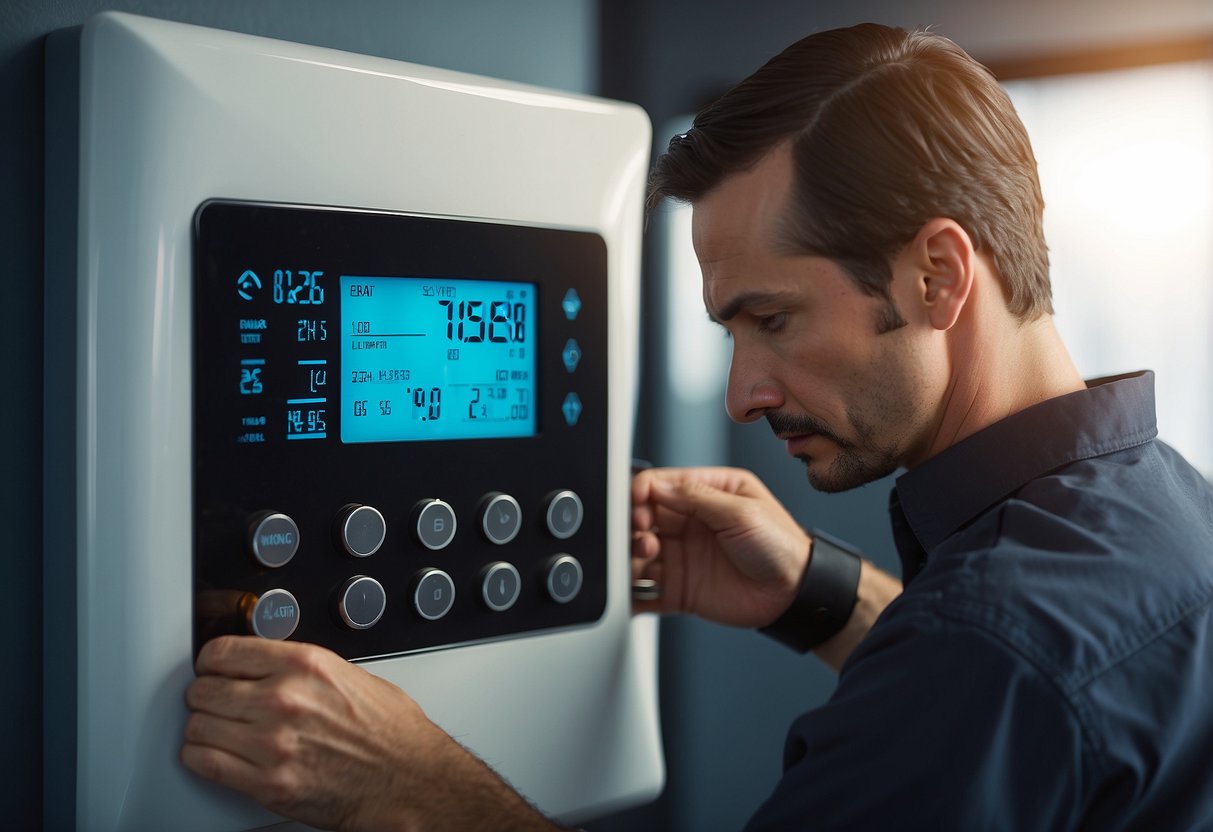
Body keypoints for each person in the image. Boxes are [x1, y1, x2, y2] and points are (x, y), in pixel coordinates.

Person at [181, 22, 1213, 831]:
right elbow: (1037, 723)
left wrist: (401, 785)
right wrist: (823, 597)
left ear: (937, 274)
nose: (741, 395)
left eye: (772, 319)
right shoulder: (1166, 510)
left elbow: (995, 676)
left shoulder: (983, 648)